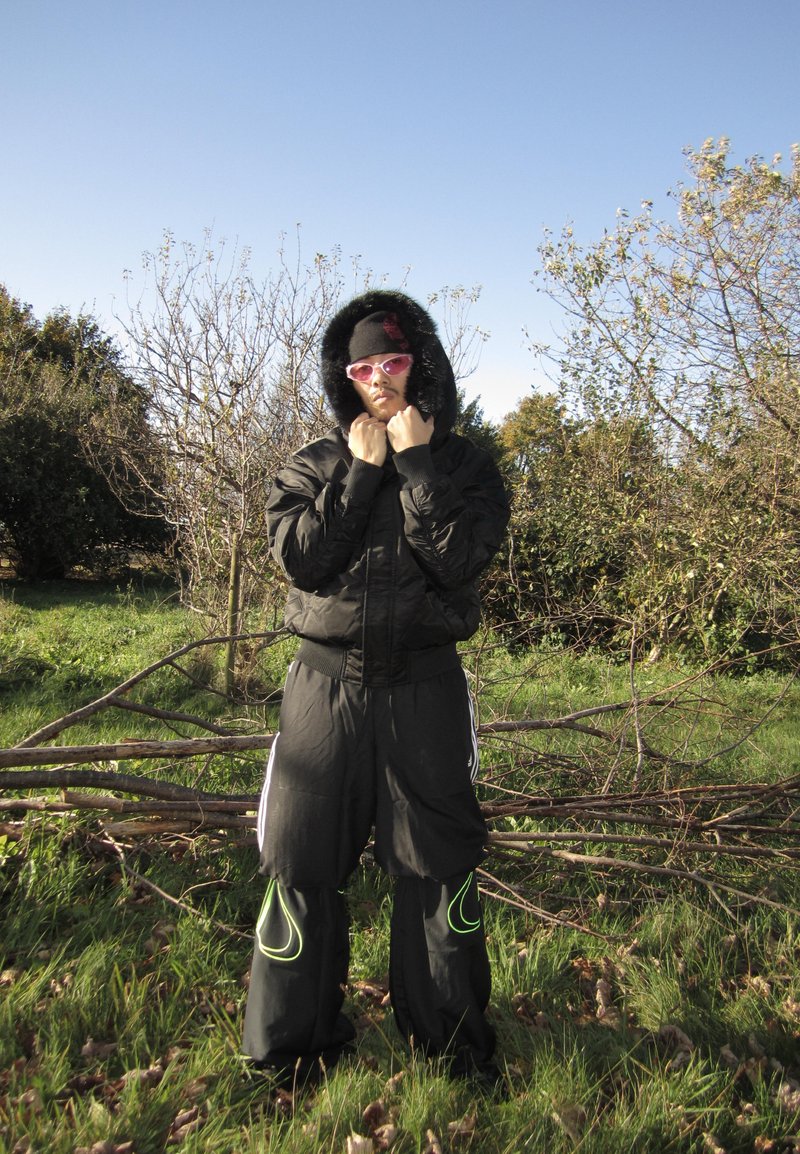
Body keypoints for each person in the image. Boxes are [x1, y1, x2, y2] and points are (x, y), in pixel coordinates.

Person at [242, 290, 510, 1088]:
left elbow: (460, 562)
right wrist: (361, 473)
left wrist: (417, 461)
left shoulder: (466, 465)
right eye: (363, 367)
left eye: (392, 362)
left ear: (418, 364)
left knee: (438, 868)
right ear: (346, 377)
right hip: (325, 696)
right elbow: (304, 560)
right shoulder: (312, 465)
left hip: (425, 691)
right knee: (300, 863)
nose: (379, 378)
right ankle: (289, 1054)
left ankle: (451, 1050)